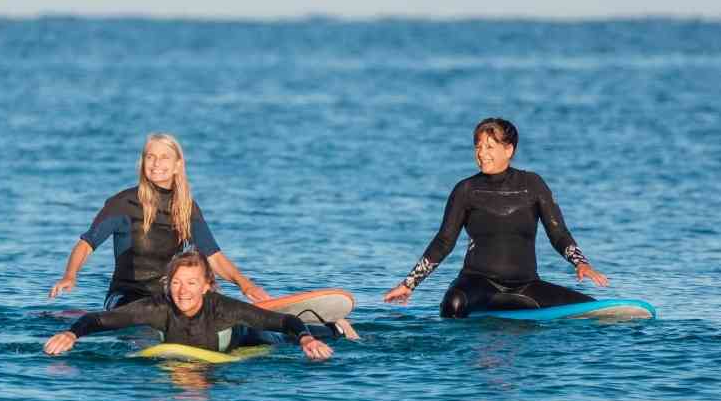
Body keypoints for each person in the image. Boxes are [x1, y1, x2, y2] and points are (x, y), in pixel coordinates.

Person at [383, 118, 609, 317]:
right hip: (478, 284)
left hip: (526, 286)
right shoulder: (466, 190)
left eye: (489, 146)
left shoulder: (533, 185)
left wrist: (581, 263)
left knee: (594, 310)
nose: (481, 153)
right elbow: (444, 241)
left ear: (508, 150)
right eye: (478, 147)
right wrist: (409, 284)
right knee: (452, 305)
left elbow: (558, 233)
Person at [48, 132, 269, 311]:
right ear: (142, 162)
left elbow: (214, 257)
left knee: (214, 309)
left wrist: (245, 285)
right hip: (125, 297)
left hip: (169, 296)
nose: (156, 164)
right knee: (154, 315)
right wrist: (70, 275)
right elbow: (86, 245)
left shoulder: (186, 208)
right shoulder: (123, 202)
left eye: (164, 157)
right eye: (150, 157)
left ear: (177, 165)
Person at [44, 251, 334, 361]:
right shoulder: (156, 308)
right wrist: (71, 334)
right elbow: (101, 319)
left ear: (207, 285)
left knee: (276, 337)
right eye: (177, 283)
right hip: (193, 356)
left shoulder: (222, 308)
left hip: (243, 336)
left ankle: (333, 327)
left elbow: (282, 322)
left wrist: (307, 338)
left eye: (192, 283)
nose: (183, 291)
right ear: (167, 283)